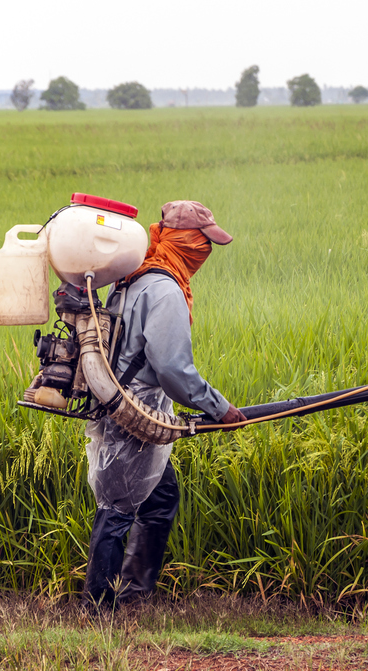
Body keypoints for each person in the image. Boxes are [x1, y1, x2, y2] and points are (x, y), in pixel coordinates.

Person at [83, 200, 246, 606]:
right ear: (186, 241)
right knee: (118, 507)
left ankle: (135, 596)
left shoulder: (135, 278)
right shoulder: (165, 289)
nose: (205, 253)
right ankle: (97, 610)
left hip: (120, 402)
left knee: (159, 497)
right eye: (202, 243)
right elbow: (173, 370)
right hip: (134, 415)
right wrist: (219, 408)